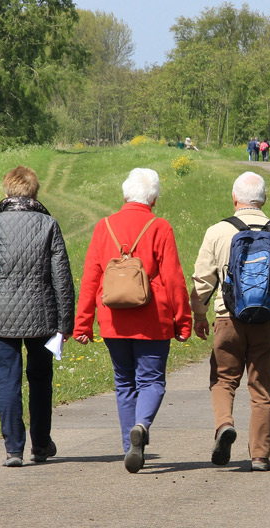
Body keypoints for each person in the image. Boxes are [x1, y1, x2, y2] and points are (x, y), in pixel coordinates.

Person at [74, 168, 192, 473]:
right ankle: (141, 425)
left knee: (124, 382)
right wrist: (183, 320)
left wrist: (83, 322)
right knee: (151, 380)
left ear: (125, 194)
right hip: (153, 319)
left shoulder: (104, 226)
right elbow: (174, 278)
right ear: (153, 199)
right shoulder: (159, 226)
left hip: (113, 319)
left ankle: (131, 446)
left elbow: (91, 277)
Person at [191, 171, 270, 472]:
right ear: (264, 199)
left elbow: (203, 279)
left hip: (227, 319)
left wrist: (199, 314)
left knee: (223, 380)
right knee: (262, 388)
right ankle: (260, 456)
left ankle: (224, 425)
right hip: (266, 320)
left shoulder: (217, 231)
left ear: (234, 198)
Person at [0, 166, 75, 467]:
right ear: (35, 193)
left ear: (6, 192)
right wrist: (65, 323)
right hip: (41, 317)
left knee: (7, 381)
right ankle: (40, 445)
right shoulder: (48, 225)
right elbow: (62, 279)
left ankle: (13, 449)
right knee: (40, 380)